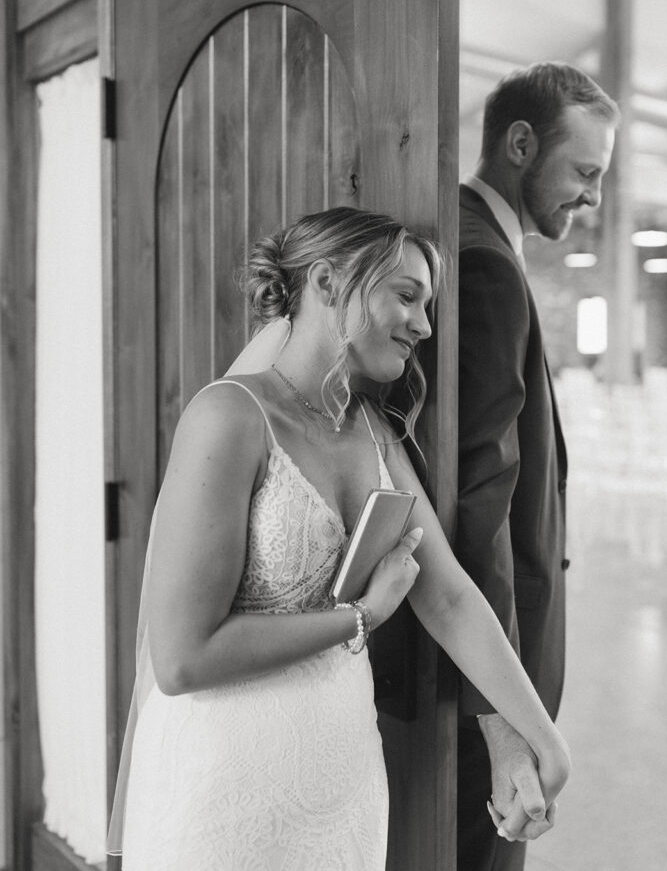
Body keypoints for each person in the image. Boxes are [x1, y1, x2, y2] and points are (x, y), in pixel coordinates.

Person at [108, 206, 571, 870]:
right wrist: (360, 616)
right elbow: (182, 658)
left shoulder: (375, 432)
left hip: (344, 787)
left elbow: (449, 600)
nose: (424, 324)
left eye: (427, 303)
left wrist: (541, 736)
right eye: (406, 295)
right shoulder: (229, 416)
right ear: (327, 280)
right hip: (225, 788)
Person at [456, 62, 620, 871]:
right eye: (583, 172)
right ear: (519, 143)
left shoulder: (465, 237)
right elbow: (477, 504)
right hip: (488, 668)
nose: (592, 198)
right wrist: (504, 717)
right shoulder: (484, 263)